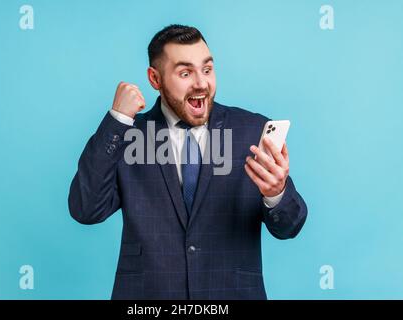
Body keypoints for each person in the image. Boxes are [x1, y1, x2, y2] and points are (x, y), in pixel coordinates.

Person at [68, 24, 307, 300]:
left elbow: (289, 226)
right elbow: (85, 209)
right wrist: (117, 120)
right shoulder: (129, 135)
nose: (201, 83)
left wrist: (276, 193)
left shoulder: (251, 131)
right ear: (155, 79)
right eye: (185, 73)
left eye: (207, 69)